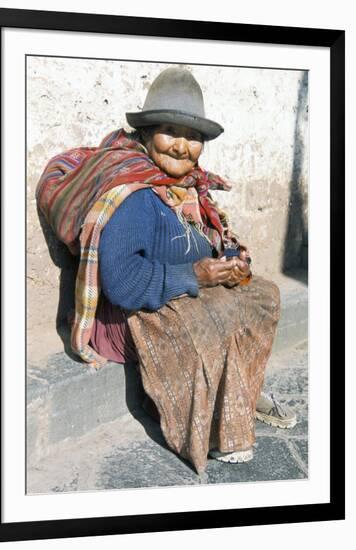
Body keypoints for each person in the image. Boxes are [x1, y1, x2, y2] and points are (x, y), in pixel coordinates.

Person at [36, 66, 296, 475]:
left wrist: (229, 260)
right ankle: (208, 426)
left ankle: (238, 390)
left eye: (193, 137)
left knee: (262, 295)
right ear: (146, 133)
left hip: (177, 291)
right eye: (170, 132)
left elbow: (205, 238)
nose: (182, 146)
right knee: (208, 314)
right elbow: (122, 283)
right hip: (129, 316)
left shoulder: (189, 186)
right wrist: (197, 276)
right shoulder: (134, 194)